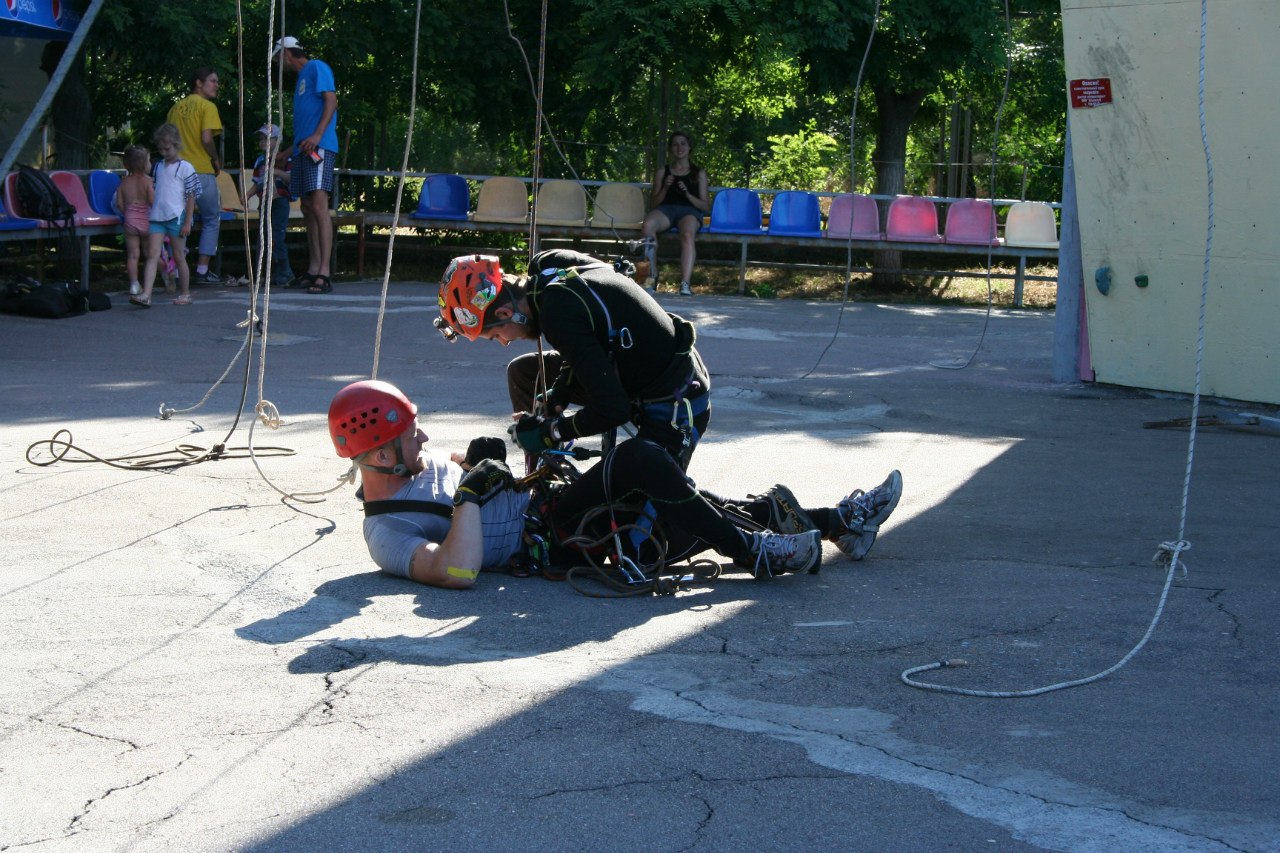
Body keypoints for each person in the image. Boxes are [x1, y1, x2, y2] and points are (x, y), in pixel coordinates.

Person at [328, 379, 904, 590]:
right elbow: (455, 570)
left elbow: (471, 468)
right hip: (550, 538)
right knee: (643, 465)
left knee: (684, 503)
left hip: (551, 502)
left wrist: (481, 460)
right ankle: (761, 550)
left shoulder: (417, 465)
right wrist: (471, 498)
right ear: (379, 453)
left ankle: (840, 525)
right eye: (409, 433)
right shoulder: (387, 534)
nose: (423, 437)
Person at [437, 249, 712, 473]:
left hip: (674, 400)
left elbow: (613, 409)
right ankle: (543, 472)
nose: (504, 342)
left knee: (630, 511)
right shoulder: (548, 266)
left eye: (496, 334)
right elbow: (587, 334)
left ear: (508, 311)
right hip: (626, 367)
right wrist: (560, 393)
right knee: (524, 372)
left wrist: (552, 432)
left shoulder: (555, 314)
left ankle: (747, 540)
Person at [274, 36, 339, 295]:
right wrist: (287, 152)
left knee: (320, 206)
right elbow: (304, 126)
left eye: (278, 58)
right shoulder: (301, 81)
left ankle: (324, 271)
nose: (278, 63)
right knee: (307, 206)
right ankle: (313, 268)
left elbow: (331, 100)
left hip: (320, 148)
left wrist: (317, 136)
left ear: (288, 53)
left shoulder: (316, 67)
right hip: (304, 150)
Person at [166, 67, 226, 286]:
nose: (216, 85)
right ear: (199, 83)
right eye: (212, 80)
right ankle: (202, 271)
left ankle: (176, 268)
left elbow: (168, 141)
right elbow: (206, 138)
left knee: (180, 220)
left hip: (175, 172)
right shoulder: (207, 106)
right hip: (200, 170)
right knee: (211, 218)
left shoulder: (175, 108)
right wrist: (216, 159)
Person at [133, 124, 200, 308]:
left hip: (176, 217)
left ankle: (185, 293)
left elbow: (191, 196)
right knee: (152, 255)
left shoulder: (185, 167)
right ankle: (146, 294)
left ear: (177, 145)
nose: (164, 153)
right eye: (161, 149)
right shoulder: (158, 167)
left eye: (167, 149)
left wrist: (187, 221)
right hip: (157, 217)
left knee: (179, 256)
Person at [640, 131, 710, 297]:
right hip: (665, 210)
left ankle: (685, 283)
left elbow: (706, 206)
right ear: (671, 148)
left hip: (689, 212)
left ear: (689, 147)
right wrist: (665, 187)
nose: (679, 147)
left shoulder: (698, 173)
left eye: (683, 143)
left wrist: (688, 195)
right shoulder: (662, 172)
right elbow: (654, 203)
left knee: (687, 234)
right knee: (648, 226)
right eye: (675, 144)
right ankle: (651, 277)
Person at [244, 124, 295, 287]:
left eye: (266, 138)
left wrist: (276, 172)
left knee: (277, 237)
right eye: (260, 138)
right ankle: (265, 273)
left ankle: (285, 272)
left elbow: (291, 179)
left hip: (280, 202)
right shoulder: (260, 160)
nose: (262, 141)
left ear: (277, 140)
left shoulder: (286, 159)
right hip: (264, 202)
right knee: (263, 237)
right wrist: (248, 195)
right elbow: (257, 182)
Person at [114, 145, 153, 297]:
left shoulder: (124, 182)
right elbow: (152, 201)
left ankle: (134, 284)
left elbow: (119, 204)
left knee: (132, 255)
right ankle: (158, 277)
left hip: (130, 221)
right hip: (146, 221)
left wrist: (128, 212)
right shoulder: (148, 182)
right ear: (145, 164)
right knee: (149, 253)